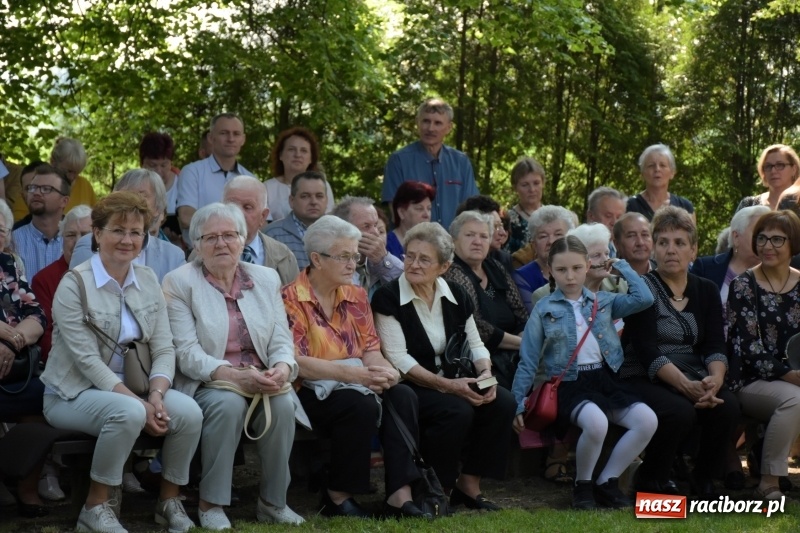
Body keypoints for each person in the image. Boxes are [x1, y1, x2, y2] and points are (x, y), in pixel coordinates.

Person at [40, 191, 203, 533]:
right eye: (117, 230)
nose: (127, 240)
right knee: (127, 412)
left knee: (188, 412)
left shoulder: (147, 280)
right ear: (97, 234)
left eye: (135, 232)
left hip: (139, 387)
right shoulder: (75, 285)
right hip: (73, 393)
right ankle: (96, 507)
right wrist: (140, 405)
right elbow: (86, 361)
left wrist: (156, 395)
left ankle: (168, 501)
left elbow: (164, 347)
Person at [162, 203, 302, 528]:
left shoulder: (266, 278)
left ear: (243, 239)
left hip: (262, 378)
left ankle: (273, 502)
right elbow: (186, 352)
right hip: (207, 382)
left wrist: (281, 368)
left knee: (282, 404)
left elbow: (282, 338)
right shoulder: (180, 282)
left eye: (229, 235)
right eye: (210, 237)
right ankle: (211, 504)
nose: (221, 243)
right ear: (195, 244)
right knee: (227, 404)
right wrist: (234, 376)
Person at [281, 215, 426, 519]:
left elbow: (370, 348)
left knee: (402, 395)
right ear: (317, 259)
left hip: (355, 381)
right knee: (358, 404)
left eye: (355, 256)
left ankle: (400, 493)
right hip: (308, 389)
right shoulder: (290, 297)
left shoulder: (356, 294)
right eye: (344, 256)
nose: (352, 264)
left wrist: (380, 370)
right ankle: (337, 495)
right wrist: (355, 374)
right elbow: (296, 361)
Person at [372, 221, 516, 511]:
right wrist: (450, 387)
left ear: (444, 266)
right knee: (456, 409)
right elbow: (399, 359)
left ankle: (469, 484)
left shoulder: (455, 294)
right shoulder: (388, 297)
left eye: (424, 259)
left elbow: (476, 343)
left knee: (503, 401)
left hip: (453, 380)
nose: (413, 264)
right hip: (412, 387)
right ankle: (436, 488)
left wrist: (486, 374)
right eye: (409, 256)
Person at [512, 236, 656, 509]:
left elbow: (644, 298)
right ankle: (583, 485)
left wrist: (621, 267)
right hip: (569, 384)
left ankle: (607, 482)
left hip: (604, 379)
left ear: (588, 266)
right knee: (596, 423)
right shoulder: (544, 309)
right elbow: (528, 360)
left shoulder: (603, 301)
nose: (570, 276)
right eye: (562, 269)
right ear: (551, 270)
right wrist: (518, 401)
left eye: (577, 268)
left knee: (647, 420)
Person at [620, 206, 739, 498]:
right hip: (643, 374)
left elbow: (714, 343)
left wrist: (714, 382)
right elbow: (646, 350)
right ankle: (652, 478)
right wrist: (686, 387)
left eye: (679, 243)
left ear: (693, 250)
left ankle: (704, 479)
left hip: (693, 371)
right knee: (680, 411)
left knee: (728, 406)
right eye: (663, 242)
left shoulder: (706, 289)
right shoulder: (642, 289)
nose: (671, 250)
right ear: (654, 249)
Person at [726, 210, 800, 501]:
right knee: (795, 400)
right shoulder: (744, 286)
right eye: (762, 238)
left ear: (793, 243)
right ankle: (768, 481)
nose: (768, 245)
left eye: (777, 239)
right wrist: (789, 375)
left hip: (793, 377)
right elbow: (749, 348)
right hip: (749, 378)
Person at [442, 211, 528, 390]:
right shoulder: (453, 273)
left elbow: (521, 312)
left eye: (483, 236)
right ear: (453, 240)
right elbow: (479, 327)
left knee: (548, 375)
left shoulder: (495, 267)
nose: (477, 241)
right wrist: (524, 344)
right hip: (478, 362)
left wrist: (525, 341)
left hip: (513, 354)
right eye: (470, 235)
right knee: (500, 395)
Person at [0, 234, 47, 517]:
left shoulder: (7, 265)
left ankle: (27, 488)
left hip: (13, 369)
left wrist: (10, 341)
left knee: (44, 398)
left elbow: (37, 315)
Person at [71, 169, 185, 282]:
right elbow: (79, 292)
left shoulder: (173, 256)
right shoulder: (89, 243)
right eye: (127, 195)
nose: (132, 202)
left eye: (141, 195)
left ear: (158, 208)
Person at [382, 98, 478, 228]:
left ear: (449, 127)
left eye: (438, 123)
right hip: (413, 243)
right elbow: (395, 211)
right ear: (417, 123)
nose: (430, 128)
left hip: (452, 243)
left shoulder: (461, 162)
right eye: (426, 121)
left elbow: (471, 209)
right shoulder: (399, 160)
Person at [177, 113, 253, 244]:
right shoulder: (192, 172)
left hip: (243, 253)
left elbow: (260, 222)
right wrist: (227, 232)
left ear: (243, 139)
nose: (231, 139)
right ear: (211, 138)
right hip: (200, 255)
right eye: (224, 133)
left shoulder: (250, 179)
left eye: (236, 134)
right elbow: (186, 217)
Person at [32, 205, 92, 362]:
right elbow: (45, 335)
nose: (78, 241)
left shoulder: (112, 274)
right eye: (71, 235)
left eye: (86, 235)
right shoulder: (44, 279)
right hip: (64, 364)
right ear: (62, 239)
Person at [220, 175, 299, 284]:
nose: (238, 213)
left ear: (263, 216)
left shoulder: (284, 256)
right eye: (232, 206)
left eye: (247, 207)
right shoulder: (203, 252)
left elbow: (295, 299)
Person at [690, 205, 770, 304]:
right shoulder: (705, 268)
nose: (766, 241)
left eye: (770, 236)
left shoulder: (780, 272)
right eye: (758, 234)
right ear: (736, 237)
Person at [331, 196, 403, 295]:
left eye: (375, 225)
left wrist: (383, 260)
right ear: (343, 230)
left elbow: (408, 288)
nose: (376, 233)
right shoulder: (328, 266)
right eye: (366, 226)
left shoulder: (379, 263)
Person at [12, 164, 71, 280]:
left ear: (64, 201)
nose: (36, 193)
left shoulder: (76, 241)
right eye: (32, 188)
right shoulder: (11, 241)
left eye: (46, 189)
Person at [264, 127, 335, 222]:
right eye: (291, 149)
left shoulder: (323, 186)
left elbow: (329, 222)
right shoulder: (267, 188)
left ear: (311, 159)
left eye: (304, 151)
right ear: (281, 155)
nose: (297, 155)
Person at [513, 205, 575, 310]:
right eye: (543, 236)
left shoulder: (583, 271)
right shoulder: (522, 278)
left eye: (558, 234)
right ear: (534, 245)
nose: (551, 241)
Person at [263, 171, 329, 269]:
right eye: (305, 196)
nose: (314, 202)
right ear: (292, 201)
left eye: (319, 196)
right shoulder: (272, 234)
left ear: (327, 200)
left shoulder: (340, 233)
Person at [626, 144, 695, 222]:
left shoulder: (685, 206)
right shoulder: (629, 206)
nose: (657, 169)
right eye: (651, 165)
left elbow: (692, 234)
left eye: (662, 165)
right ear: (642, 173)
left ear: (672, 173)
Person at [455, 195, 513, 275]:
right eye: (495, 226)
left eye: (501, 225)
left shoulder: (503, 259)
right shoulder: (450, 265)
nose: (502, 233)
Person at [736, 144, 799, 211]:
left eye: (780, 165)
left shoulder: (798, 205)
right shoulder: (748, 205)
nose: (773, 171)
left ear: (794, 169)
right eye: (768, 166)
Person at [139, 132, 180, 233]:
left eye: (163, 165)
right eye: (152, 165)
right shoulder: (132, 186)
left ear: (171, 163)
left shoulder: (183, 183)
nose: (158, 171)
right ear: (142, 163)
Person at [505, 157, 545, 254]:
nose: (532, 189)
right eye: (525, 185)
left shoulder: (554, 217)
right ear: (515, 188)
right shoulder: (507, 220)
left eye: (536, 183)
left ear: (543, 183)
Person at [387, 181, 435, 260]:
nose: (427, 215)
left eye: (429, 209)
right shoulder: (386, 246)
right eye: (419, 209)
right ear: (401, 212)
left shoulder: (435, 244)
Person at [50, 137, 98, 211]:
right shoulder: (38, 185)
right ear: (53, 162)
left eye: (77, 173)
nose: (72, 177)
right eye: (69, 171)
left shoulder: (85, 185)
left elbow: (96, 217)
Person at [585, 187, 626, 257]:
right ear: (591, 216)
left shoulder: (625, 251)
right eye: (608, 216)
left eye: (619, 217)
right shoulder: (579, 250)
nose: (614, 222)